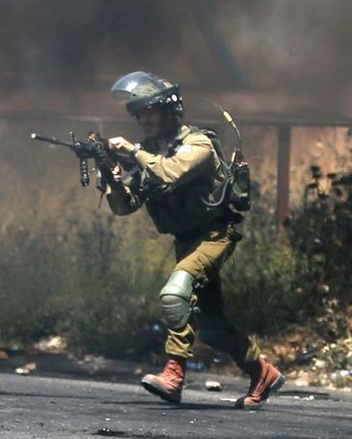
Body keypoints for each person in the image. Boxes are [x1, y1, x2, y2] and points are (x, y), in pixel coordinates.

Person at [101, 71, 284, 409]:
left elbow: (169, 171)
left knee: (175, 294)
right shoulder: (148, 153)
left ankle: (174, 374)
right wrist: (110, 177)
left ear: (171, 111)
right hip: (186, 240)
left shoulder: (198, 145)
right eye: (139, 114)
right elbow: (125, 206)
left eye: (150, 111)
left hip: (214, 235)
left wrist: (132, 154)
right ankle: (263, 373)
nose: (144, 120)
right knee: (212, 328)